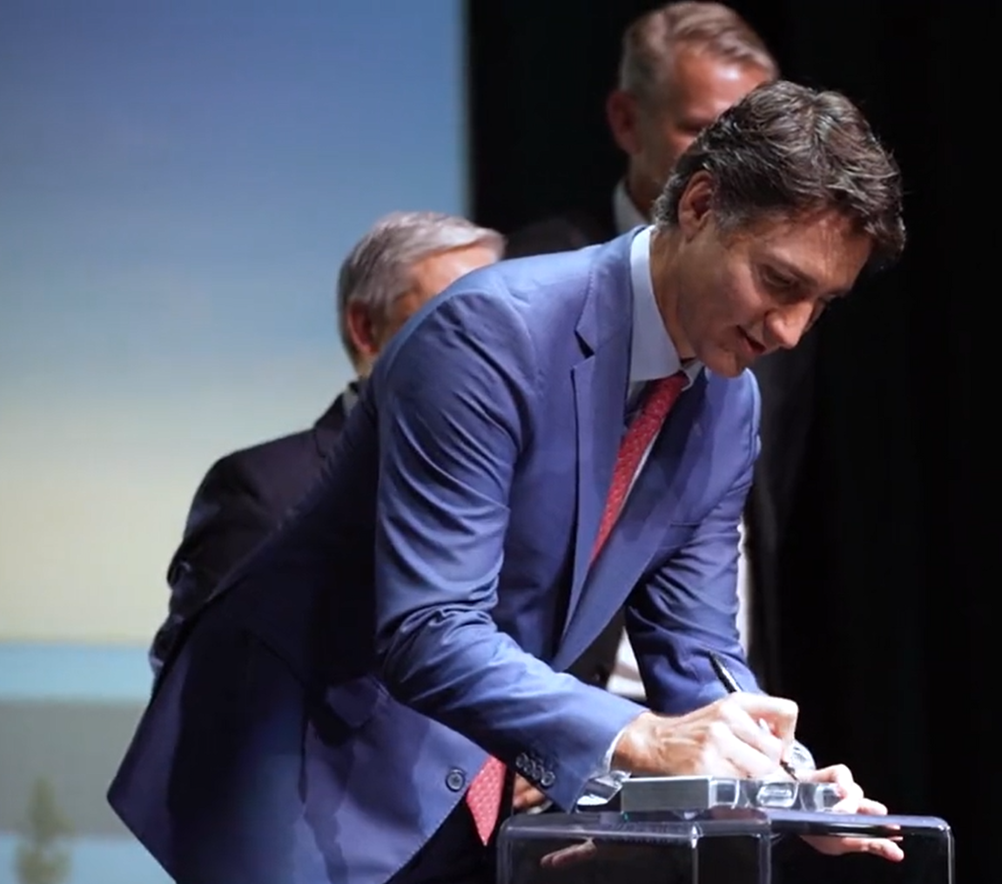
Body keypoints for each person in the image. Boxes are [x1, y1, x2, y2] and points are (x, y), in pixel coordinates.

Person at [108, 79, 907, 884]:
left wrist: (783, 780)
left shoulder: (728, 403)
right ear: (699, 205)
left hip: (466, 782)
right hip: (299, 762)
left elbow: (695, 648)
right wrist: (641, 739)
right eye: (777, 282)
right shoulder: (488, 332)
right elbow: (429, 628)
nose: (790, 330)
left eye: (820, 303)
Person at [506, 1, 812, 704]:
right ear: (624, 120)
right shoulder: (528, 287)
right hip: (549, 699)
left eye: (754, 136)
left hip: (702, 689)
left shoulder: (780, 313)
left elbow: (750, 510)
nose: (742, 169)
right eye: (701, 131)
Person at [147, 211, 503, 676]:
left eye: (501, 324)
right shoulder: (265, 490)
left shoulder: (524, 478)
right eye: (454, 320)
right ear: (366, 329)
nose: (487, 348)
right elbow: (198, 684)